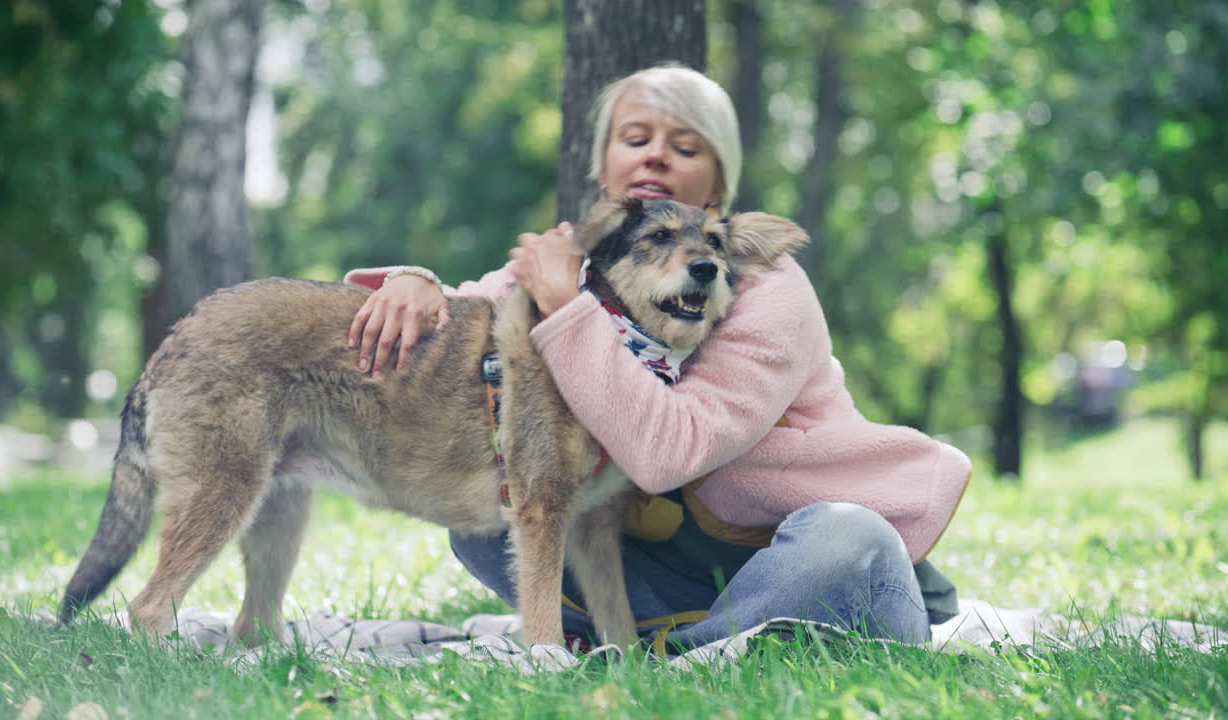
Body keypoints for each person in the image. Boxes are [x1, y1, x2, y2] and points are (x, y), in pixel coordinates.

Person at [344, 64, 970, 653]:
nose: (655, 155)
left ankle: (687, 658)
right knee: (486, 509)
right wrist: (412, 278)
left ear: (719, 182)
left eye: (686, 146)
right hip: (670, 581)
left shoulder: (763, 283)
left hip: (815, 566)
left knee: (847, 536)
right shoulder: (574, 263)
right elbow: (465, 308)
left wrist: (565, 307)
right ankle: (698, 650)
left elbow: (671, 452)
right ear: (604, 167)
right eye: (634, 138)